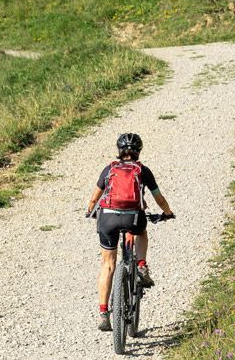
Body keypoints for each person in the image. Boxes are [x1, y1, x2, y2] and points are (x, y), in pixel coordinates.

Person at [85, 132, 174, 332]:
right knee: (141, 232)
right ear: (138, 151)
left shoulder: (110, 169)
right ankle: (141, 266)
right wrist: (167, 213)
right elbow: (158, 198)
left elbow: (95, 196)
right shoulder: (142, 170)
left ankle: (103, 313)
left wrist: (90, 210)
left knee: (108, 264)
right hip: (133, 217)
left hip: (107, 218)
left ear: (119, 151)